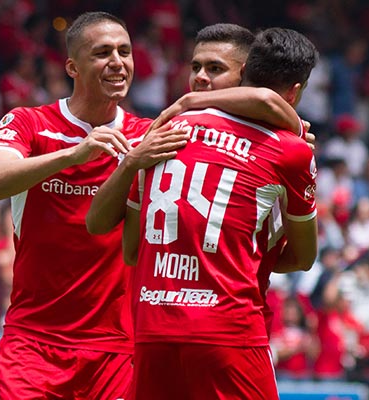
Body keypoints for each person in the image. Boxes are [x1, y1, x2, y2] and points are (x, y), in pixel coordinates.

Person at [0, 13, 300, 399]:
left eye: (124, 51)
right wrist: (72, 155)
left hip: (120, 348)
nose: (117, 61)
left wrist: (294, 137)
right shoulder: (30, 123)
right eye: (102, 52)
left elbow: (261, 111)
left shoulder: (152, 135)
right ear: (72, 66)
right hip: (34, 344)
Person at [117, 27, 319, 399]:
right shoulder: (289, 148)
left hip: (151, 327)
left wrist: (183, 105)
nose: (200, 78)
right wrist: (250, 253)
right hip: (230, 329)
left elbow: (130, 249)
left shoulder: (160, 132)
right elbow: (305, 257)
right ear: (295, 92)